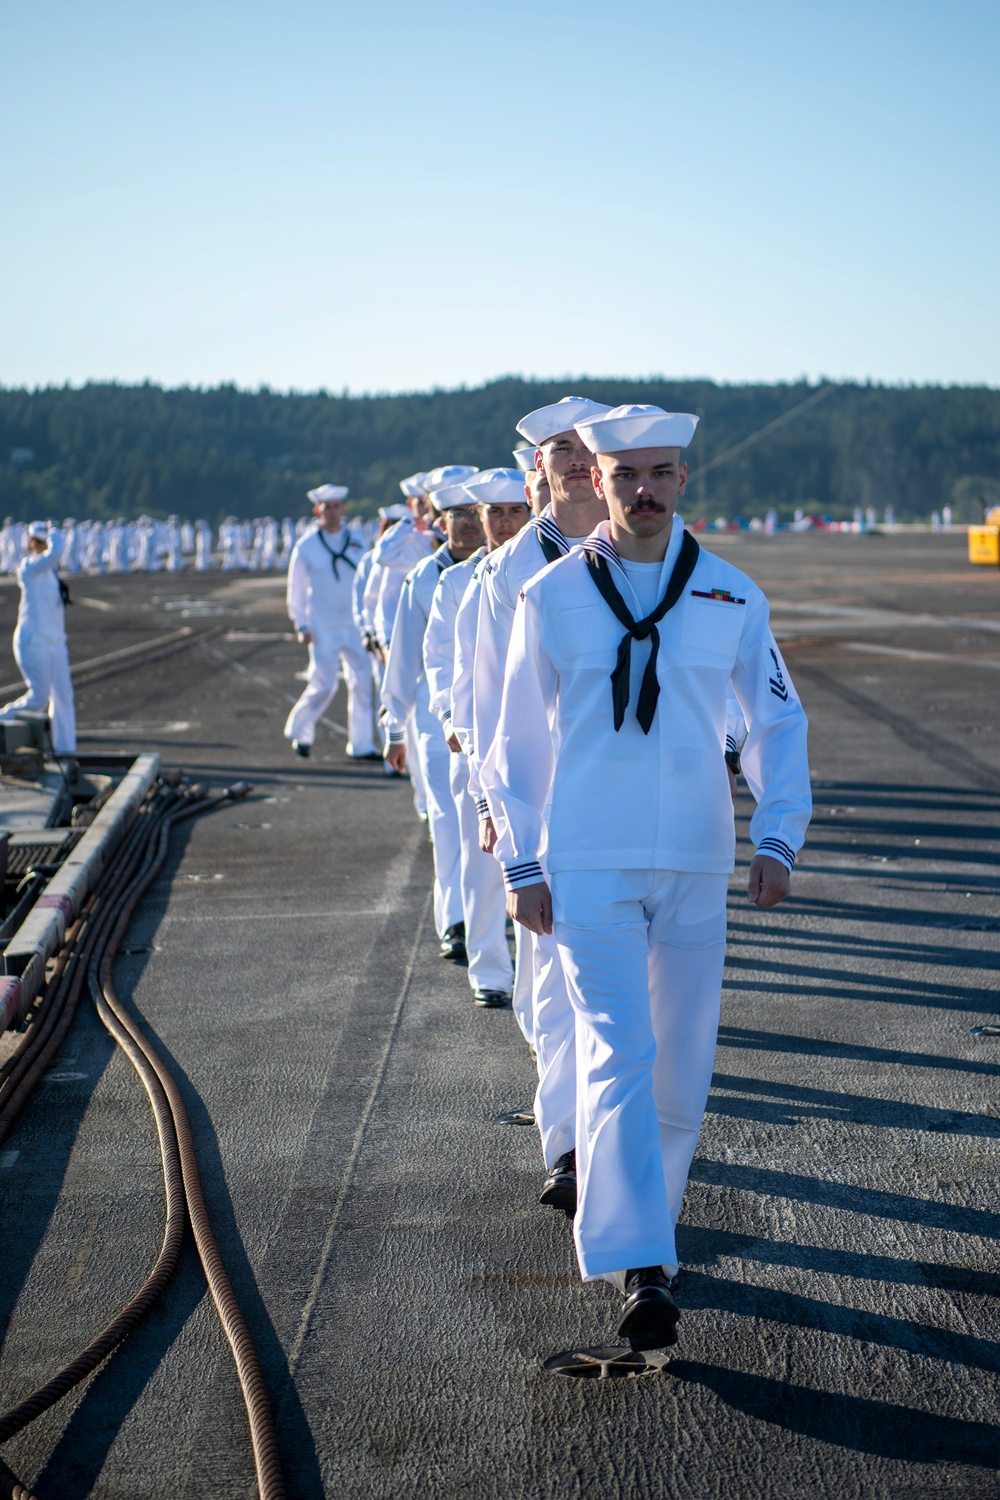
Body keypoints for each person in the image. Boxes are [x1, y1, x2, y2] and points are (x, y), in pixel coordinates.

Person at [482, 403, 811, 1351]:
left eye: (662, 473)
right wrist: (523, 861)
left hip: (700, 862)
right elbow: (515, 742)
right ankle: (642, 1264)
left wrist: (778, 836)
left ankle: (648, 1225)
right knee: (618, 1052)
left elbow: (777, 723)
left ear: (682, 480)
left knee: (681, 1065)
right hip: (588, 864)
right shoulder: (551, 597)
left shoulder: (733, 597)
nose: (644, 490)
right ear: (596, 479)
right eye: (626, 475)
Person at [472, 396, 611, 1210]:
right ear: (540, 472)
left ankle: (602, 1139)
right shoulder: (508, 572)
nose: (570, 460)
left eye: (580, 446)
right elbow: (492, 708)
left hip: (625, 807)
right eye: (555, 450)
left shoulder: (644, 555)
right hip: (544, 810)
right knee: (553, 988)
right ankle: (563, 1146)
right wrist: (500, 812)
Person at [423, 479, 525, 1007]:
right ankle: (489, 968)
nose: (505, 522)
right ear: (479, 517)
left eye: (516, 511)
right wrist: (449, 717)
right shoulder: (458, 581)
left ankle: (536, 987)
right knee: (482, 858)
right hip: (476, 739)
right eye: (495, 512)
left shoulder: (553, 568)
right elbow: (441, 660)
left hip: (535, 740)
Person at [381, 487, 486, 960]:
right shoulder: (422, 579)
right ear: (439, 522)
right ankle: (456, 921)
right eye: (455, 514)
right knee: (447, 821)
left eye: (473, 513)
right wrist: (394, 731)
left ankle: (491, 913)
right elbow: (402, 662)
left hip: (494, 719)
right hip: (434, 720)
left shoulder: (502, 572)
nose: (466, 522)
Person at [283, 485, 379, 761]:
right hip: (322, 625)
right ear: (318, 511)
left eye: (337, 506)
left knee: (362, 683)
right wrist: (300, 624)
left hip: (354, 624)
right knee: (323, 684)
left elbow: (369, 582)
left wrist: (369, 619)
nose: (333, 512)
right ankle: (299, 730)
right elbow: (296, 588)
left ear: (344, 509)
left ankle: (361, 745)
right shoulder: (307, 546)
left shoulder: (358, 539)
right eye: (327, 507)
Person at [0, 521, 76, 754]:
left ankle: (65, 752)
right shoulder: (29, 568)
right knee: (39, 698)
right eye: (40, 541)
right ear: (32, 543)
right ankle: (3, 717)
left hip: (55, 643)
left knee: (63, 699)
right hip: (34, 642)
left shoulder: (50, 573)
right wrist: (55, 534)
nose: (44, 546)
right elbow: (55, 553)